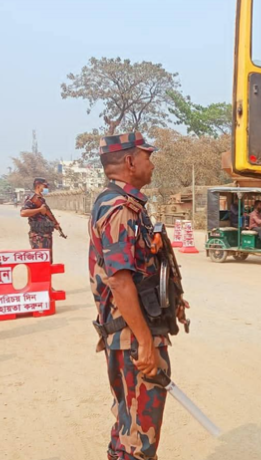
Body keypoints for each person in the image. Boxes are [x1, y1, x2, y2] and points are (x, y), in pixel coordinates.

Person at [88, 132, 189, 460]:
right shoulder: (119, 208)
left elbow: (143, 270)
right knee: (139, 438)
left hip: (133, 331)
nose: (152, 163)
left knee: (128, 427)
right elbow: (119, 281)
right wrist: (145, 342)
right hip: (133, 336)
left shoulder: (126, 205)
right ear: (130, 161)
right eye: (148, 156)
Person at [20, 178, 55, 260]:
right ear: (38, 186)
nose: (46, 189)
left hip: (46, 235)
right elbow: (23, 213)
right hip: (38, 236)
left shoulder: (41, 200)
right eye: (45, 186)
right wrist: (39, 210)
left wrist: (54, 224)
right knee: (40, 261)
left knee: (47, 261)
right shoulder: (32, 198)